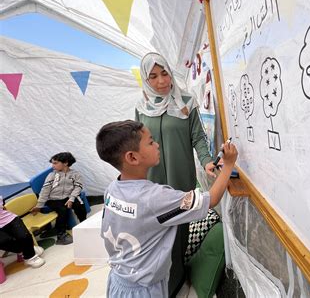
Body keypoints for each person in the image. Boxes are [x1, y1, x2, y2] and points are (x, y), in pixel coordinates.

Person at [96, 120, 237, 298]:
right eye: (150, 141)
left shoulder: (112, 189)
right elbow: (211, 200)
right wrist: (229, 165)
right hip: (145, 291)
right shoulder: (154, 199)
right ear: (132, 157)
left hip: (118, 282)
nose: (157, 144)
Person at [135, 52, 216, 295]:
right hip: (151, 180)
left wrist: (206, 161)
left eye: (164, 74)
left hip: (180, 178)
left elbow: (198, 137)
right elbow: (135, 143)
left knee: (179, 227)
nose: (161, 81)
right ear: (145, 80)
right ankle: (159, 277)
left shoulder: (186, 103)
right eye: (153, 76)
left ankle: (177, 276)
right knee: (156, 229)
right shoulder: (141, 106)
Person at [31, 152, 87, 245]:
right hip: (53, 199)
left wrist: (71, 198)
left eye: (55, 163)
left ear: (65, 163)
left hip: (68, 197)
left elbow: (78, 187)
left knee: (80, 205)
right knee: (62, 210)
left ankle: (84, 224)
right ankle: (61, 235)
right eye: (52, 163)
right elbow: (45, 190)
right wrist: (39, 205)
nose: (52, 166)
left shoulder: (75, 174)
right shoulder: (52, 175)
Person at [0, 195, 45, 268]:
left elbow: (2, 205)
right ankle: (26, 250)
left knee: (24, 236)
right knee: (3, 241)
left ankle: (30, 255)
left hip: (9, 218)